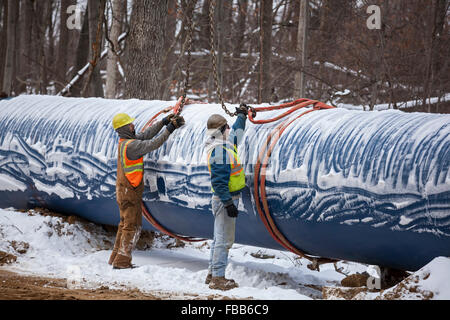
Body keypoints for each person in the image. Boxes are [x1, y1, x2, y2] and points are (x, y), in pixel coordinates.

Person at [109, 112, 185, 269]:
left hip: (123, 191)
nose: (133, 126)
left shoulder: (126, 142)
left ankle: (115, 257)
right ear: (125, 128)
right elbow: (153, 143)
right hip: (130, 192)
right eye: (130, 124)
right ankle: (122, 261)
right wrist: (170, 129)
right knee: (132, 225)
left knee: (124, 224)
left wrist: (163, 122)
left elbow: (146, 135)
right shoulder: (132, 146)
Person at [204, 104, 249, 290]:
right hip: (224, 199)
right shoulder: (219, 151)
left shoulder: (222, 144)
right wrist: (229, 203)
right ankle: (218, 278)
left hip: (224, 199)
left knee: (219, 238)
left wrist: (242, 116)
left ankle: (212, 273)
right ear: (222, 130)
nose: (230, 129)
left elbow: (236, 133)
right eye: (227, 127)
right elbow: (219, 182)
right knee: (224, 240)